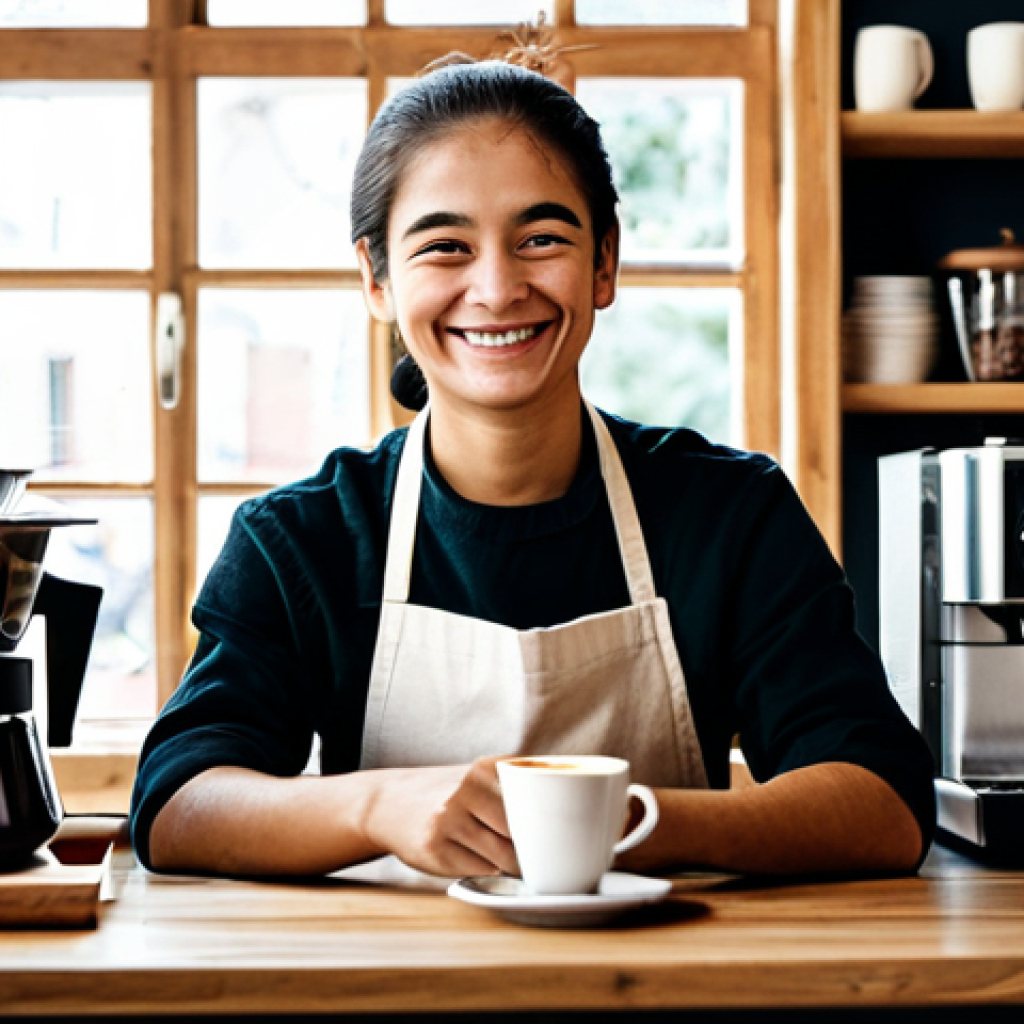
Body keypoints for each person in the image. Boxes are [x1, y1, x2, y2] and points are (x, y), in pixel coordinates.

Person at [131, 60, 935, 881]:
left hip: (673, 996)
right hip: (389, 999)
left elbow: (884, 802)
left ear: (604, 264)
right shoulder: (302, 539)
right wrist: (379, 805)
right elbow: (177, 805)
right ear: (376, 279)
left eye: (541, 240)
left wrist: (617, 822)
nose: (496, 287)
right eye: (446, 246)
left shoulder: (731, 513)